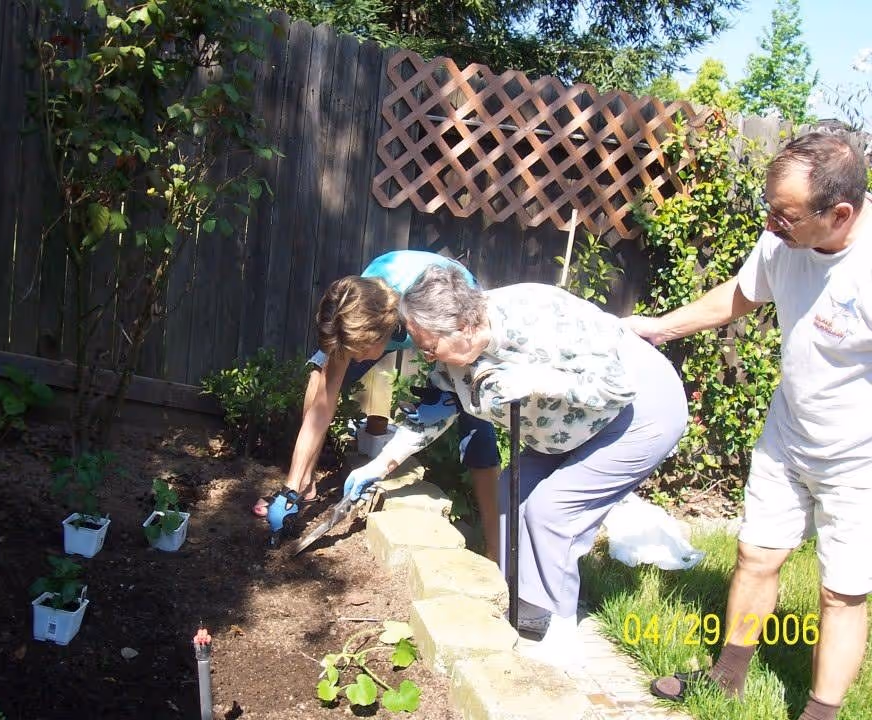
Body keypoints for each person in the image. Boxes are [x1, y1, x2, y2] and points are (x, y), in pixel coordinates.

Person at [627, 133, 871, 720]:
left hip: (859, 458)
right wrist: (661, 327)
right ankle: (727, 681)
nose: (771, 223)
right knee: (755, 555)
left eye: (784, 215)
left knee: (842, 592)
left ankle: (820, 713)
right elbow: (739, 295)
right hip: (790, 435)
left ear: (839, 214)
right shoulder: (781, 242)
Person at [341, 263, 687, 667]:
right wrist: (380, 464)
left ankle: (562, 635)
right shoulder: (453, 352)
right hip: (567, 425)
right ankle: (528, 610)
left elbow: (617, 385)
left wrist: (538, 380)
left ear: (465, 327)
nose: (425, 355)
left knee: (552, 511)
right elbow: (435, 411)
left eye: (430, 347)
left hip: (639, 412)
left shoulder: (539, 316)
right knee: (508, 494)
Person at [259, 250, 502, 558]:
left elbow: (446, 399)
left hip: (453, 315)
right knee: (321, 377)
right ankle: (304, 485)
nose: (357, 360)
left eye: (360, 351)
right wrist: (289, 488)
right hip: (393, 314)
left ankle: (495, 548)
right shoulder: (361, 308)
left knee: (477, 423)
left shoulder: (433, 313)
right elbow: (323, 404)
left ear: (383, 337)